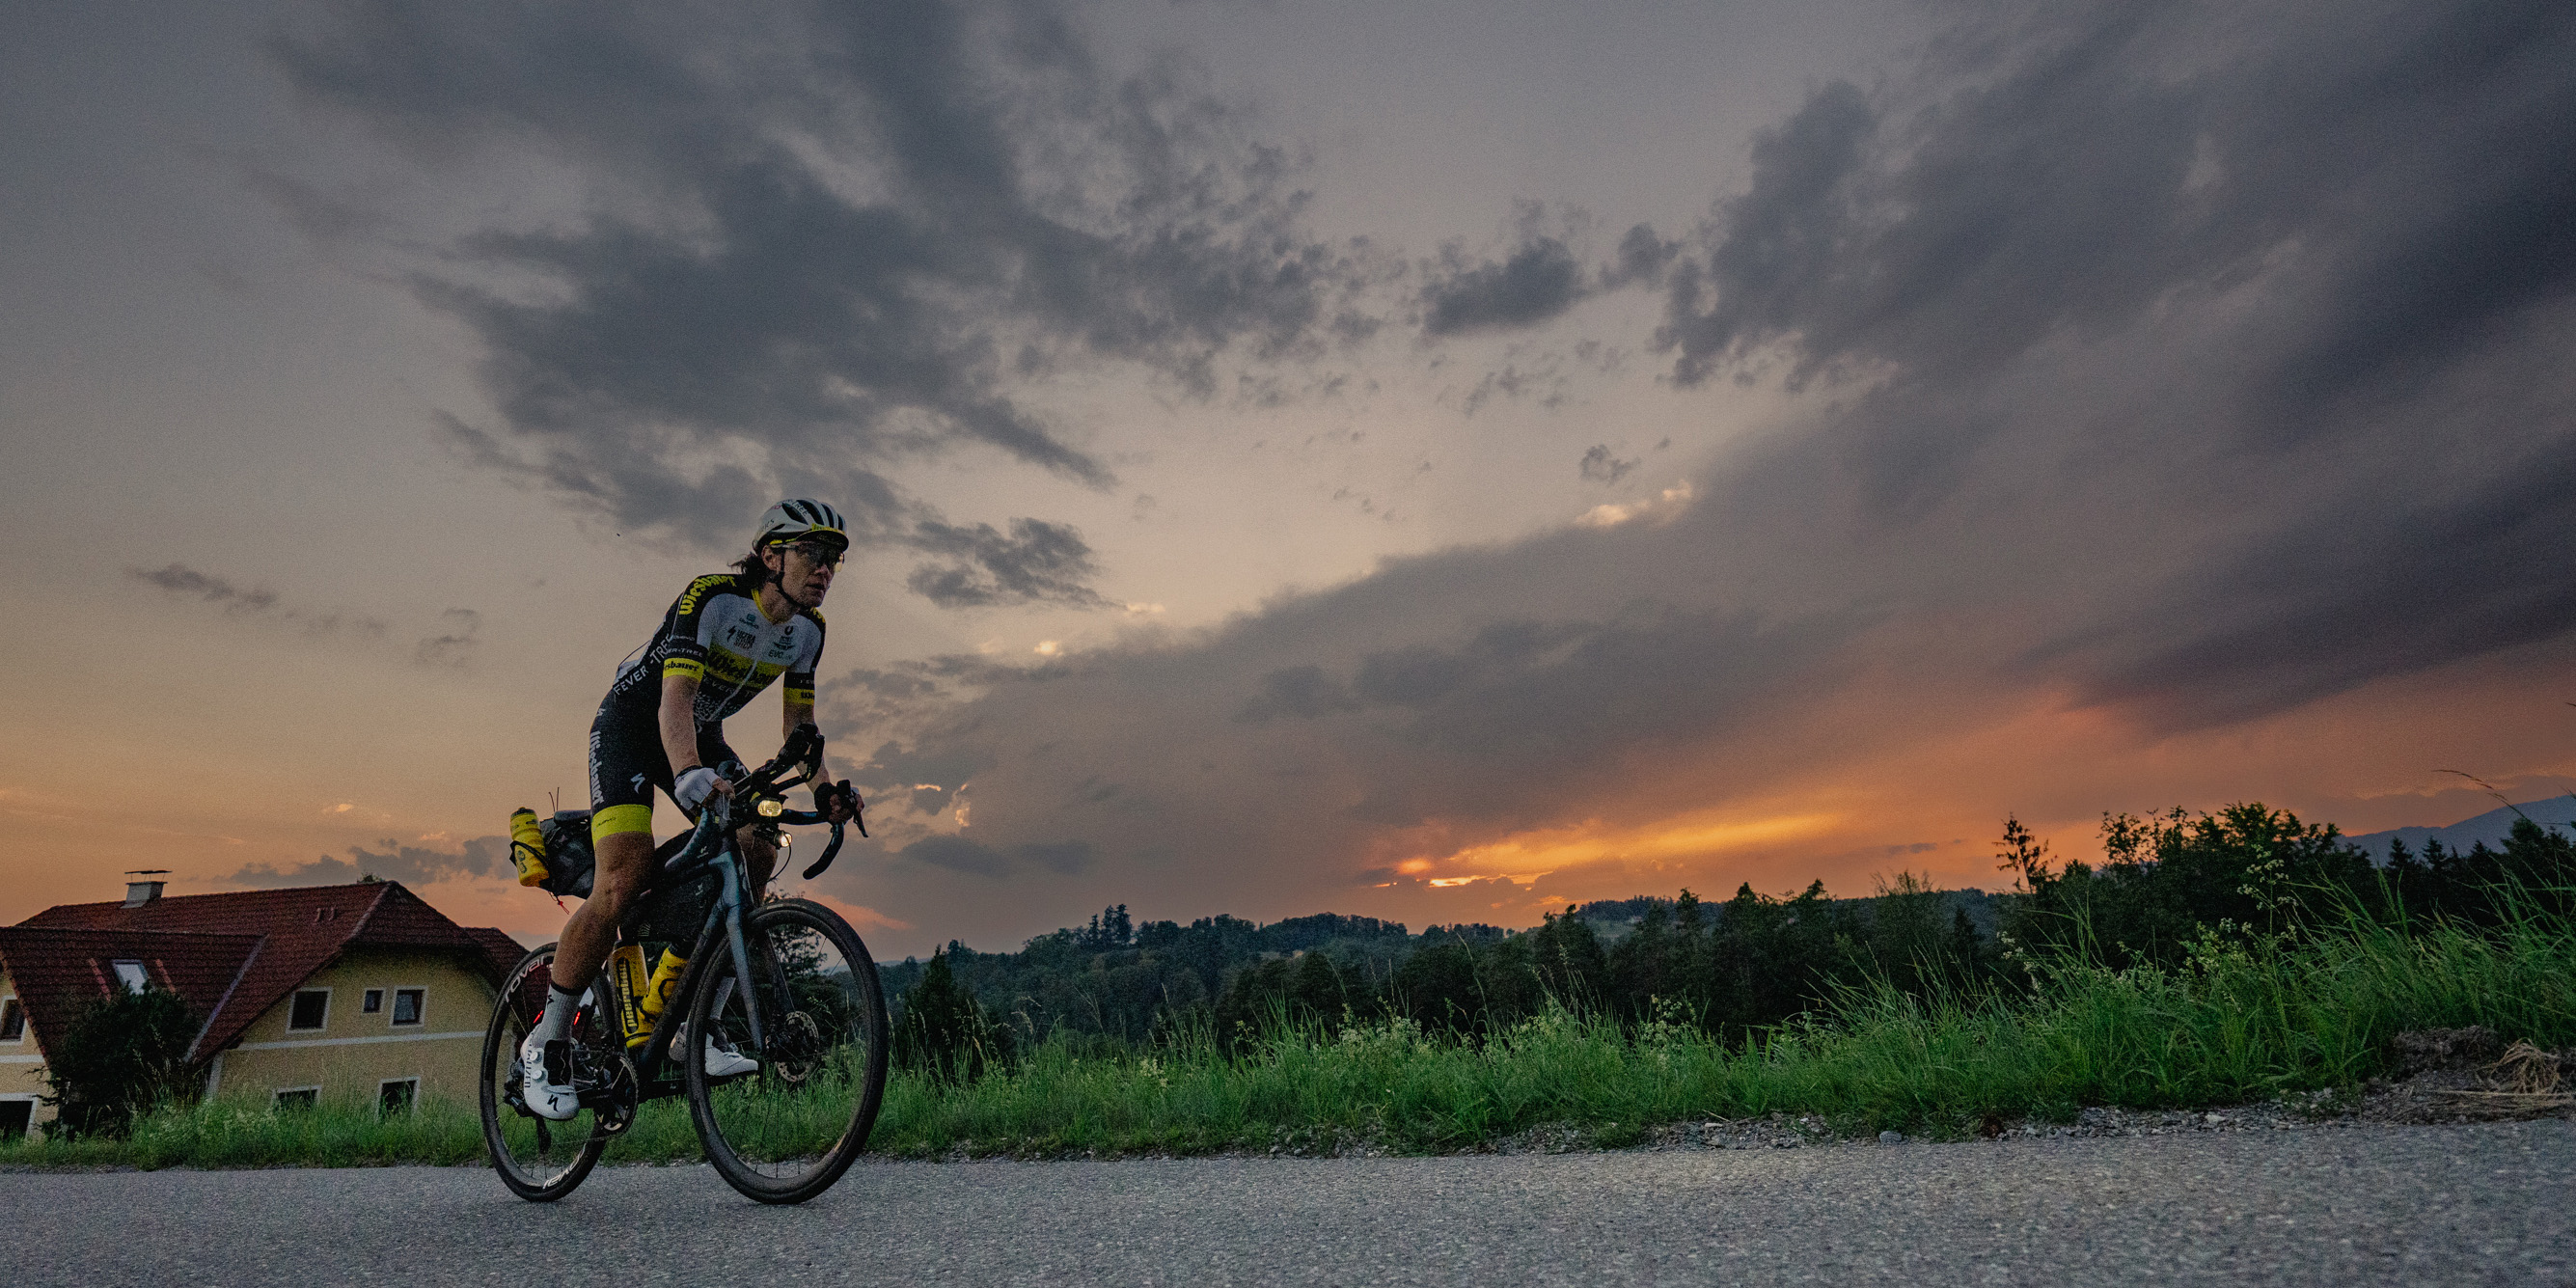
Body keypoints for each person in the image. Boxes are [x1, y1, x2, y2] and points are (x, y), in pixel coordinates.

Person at [520, 499, 862, 1119]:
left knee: (759, 841)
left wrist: (826, 792)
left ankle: (694, 1027)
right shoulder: (712, 599)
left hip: (698, 736)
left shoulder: (808, 633)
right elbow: (674, 701)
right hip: (635, 724)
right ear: (771, 556)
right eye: (813, 555)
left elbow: (800, 731)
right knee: (622, 876)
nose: (825, 571)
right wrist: (687, 775)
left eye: (834, 560)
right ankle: (545, 1042)